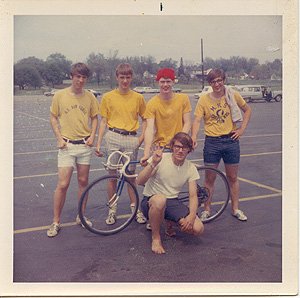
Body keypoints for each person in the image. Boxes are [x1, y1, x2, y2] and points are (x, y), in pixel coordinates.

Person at [191, 68, 252, 222]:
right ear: (209, 83)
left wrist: (241, 129)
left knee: (232, 177)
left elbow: (247, 110)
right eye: (213, 81)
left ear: (224, 80)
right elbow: (197, 120)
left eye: (219, 80)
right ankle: (206, 209)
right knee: (209, 178)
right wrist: (193, 137)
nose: (217, 84)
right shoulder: (204, 100)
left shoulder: (232, 94)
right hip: (212, 142)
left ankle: (235, 209)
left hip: (231, 140)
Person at [47, 63, 99, 237]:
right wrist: (59, 138)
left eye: (84, 77)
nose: (81, 80)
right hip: (66, 146)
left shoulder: (90, 96)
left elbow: (94, 118)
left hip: (84, 146)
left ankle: (81, 217)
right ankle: (55, 221)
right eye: (78, 76)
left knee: (83, 182)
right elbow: (53, 117)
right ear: (71, 76)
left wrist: (93, 136)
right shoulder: (60, 96)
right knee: (63, 184)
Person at [95, 63, 147, 225]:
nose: (125, 81)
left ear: (131, 78)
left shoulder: (138, 97)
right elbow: (103, 121)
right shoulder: (108, 97)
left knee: (130, 176)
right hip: (113, 137)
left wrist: (141, 139)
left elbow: (145, 119)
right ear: (117, 78)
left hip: (131, 139)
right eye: (122, 77)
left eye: (128, 77)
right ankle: (112, 210)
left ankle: (135, 209)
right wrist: (98, 143)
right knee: (113, 177)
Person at [137, 132, 204, 254]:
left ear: (189, 149)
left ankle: (169, 223)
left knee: (198, 229)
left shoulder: (190, 168)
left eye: (184, 148)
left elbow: (193, 196)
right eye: (177, 146)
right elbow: (140, 181)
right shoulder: (160, 159)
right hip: (151, 201)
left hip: (172, 201)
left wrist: (192, 215)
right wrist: (153, 163)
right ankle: (156, 238)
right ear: (172, 147)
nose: (180, 150)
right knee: (160, 199)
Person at [140, 68, 192, 166]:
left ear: (173, 82)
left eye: (168, 81)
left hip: (178, 146)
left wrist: (178, 142)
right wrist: (146, 153)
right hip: (161, 148)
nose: (165, 85)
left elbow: (187, 123)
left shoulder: (183, 99)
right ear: (157, 83)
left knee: (177, 177)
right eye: (162, 82)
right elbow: (149, 128)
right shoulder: (152, 103)